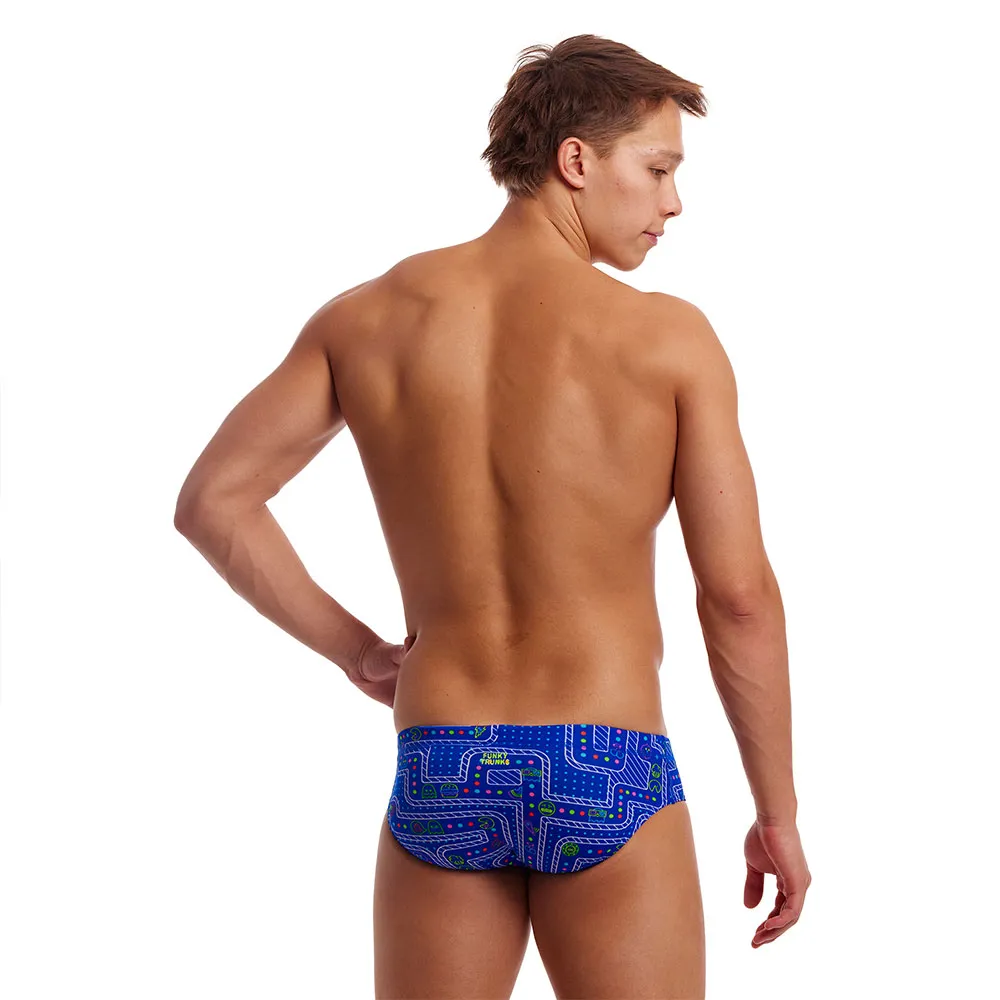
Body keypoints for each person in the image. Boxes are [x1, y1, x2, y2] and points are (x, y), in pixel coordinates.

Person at [173, 32, 810, 1000]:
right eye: (658, 169)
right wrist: (777, 812)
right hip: (606, 760)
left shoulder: (369, 318)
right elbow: (737, 597)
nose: (674, 201)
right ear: (575, 160)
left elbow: (214, 502)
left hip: (444, 759)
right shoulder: (666, 339)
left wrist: (359, 653)